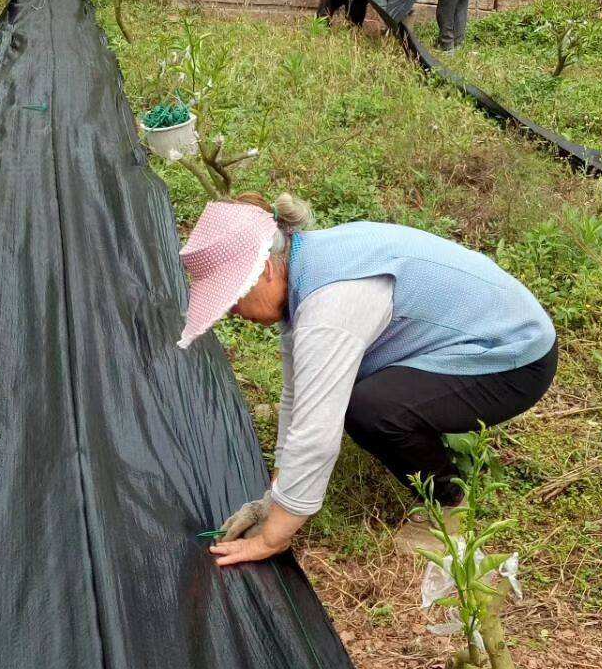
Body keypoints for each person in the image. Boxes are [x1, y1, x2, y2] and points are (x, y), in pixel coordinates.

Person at [176, 194, 557, 567]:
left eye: (235, 296)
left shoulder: (332, 304)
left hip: (513, 358)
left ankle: (448, 501)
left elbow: (315, 434)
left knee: (371, 410)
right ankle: (429, 423)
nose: (233, 312)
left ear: (267, 270)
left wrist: (273, 536)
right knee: (345, 391)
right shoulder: (306, 263)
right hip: (476, 332)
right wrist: (272, 500)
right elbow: (300, 397)